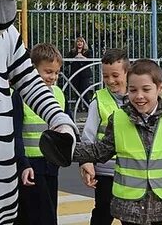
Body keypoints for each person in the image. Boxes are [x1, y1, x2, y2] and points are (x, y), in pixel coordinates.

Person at [73, 59, 162, 225]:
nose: (139, 96)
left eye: (146, 89)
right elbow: (100, 151)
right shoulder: (119, 118)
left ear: (160, 88)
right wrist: (68, 150)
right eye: (133, 90)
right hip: (128, 206)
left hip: (159, 206)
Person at [13, 44, 68, 225]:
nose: (52, 77)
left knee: (49, 212)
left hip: (51, 165)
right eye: (48, 72)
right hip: (30, 167)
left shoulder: (59, 94)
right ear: (32, 70)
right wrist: (23, 164)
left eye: (56, 73)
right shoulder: (19, 96)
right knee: (36, 217)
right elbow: (16, 134)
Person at [79, 48, 130, 225]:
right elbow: (88, 136)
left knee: (131, 215)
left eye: (115, 75)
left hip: (132, 172)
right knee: (103, 212)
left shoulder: (139, 98)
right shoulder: (99, 99)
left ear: (127, 72)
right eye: (105, 76)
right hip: (105, 171)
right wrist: (86, 162)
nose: (110, 80)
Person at [65, 37, 93, 111]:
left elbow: (91, 61)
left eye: (81, 41)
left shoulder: (88, 52)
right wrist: (74, 59)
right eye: (78, 41)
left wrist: (83, 58)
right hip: (75, 74)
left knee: (84, 90)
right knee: (77, 91)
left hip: (85, 74)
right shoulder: (72, 52)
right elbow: (66, 62)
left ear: (84, 43)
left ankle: (88, 107)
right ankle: (79, 107)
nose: (79, 43)